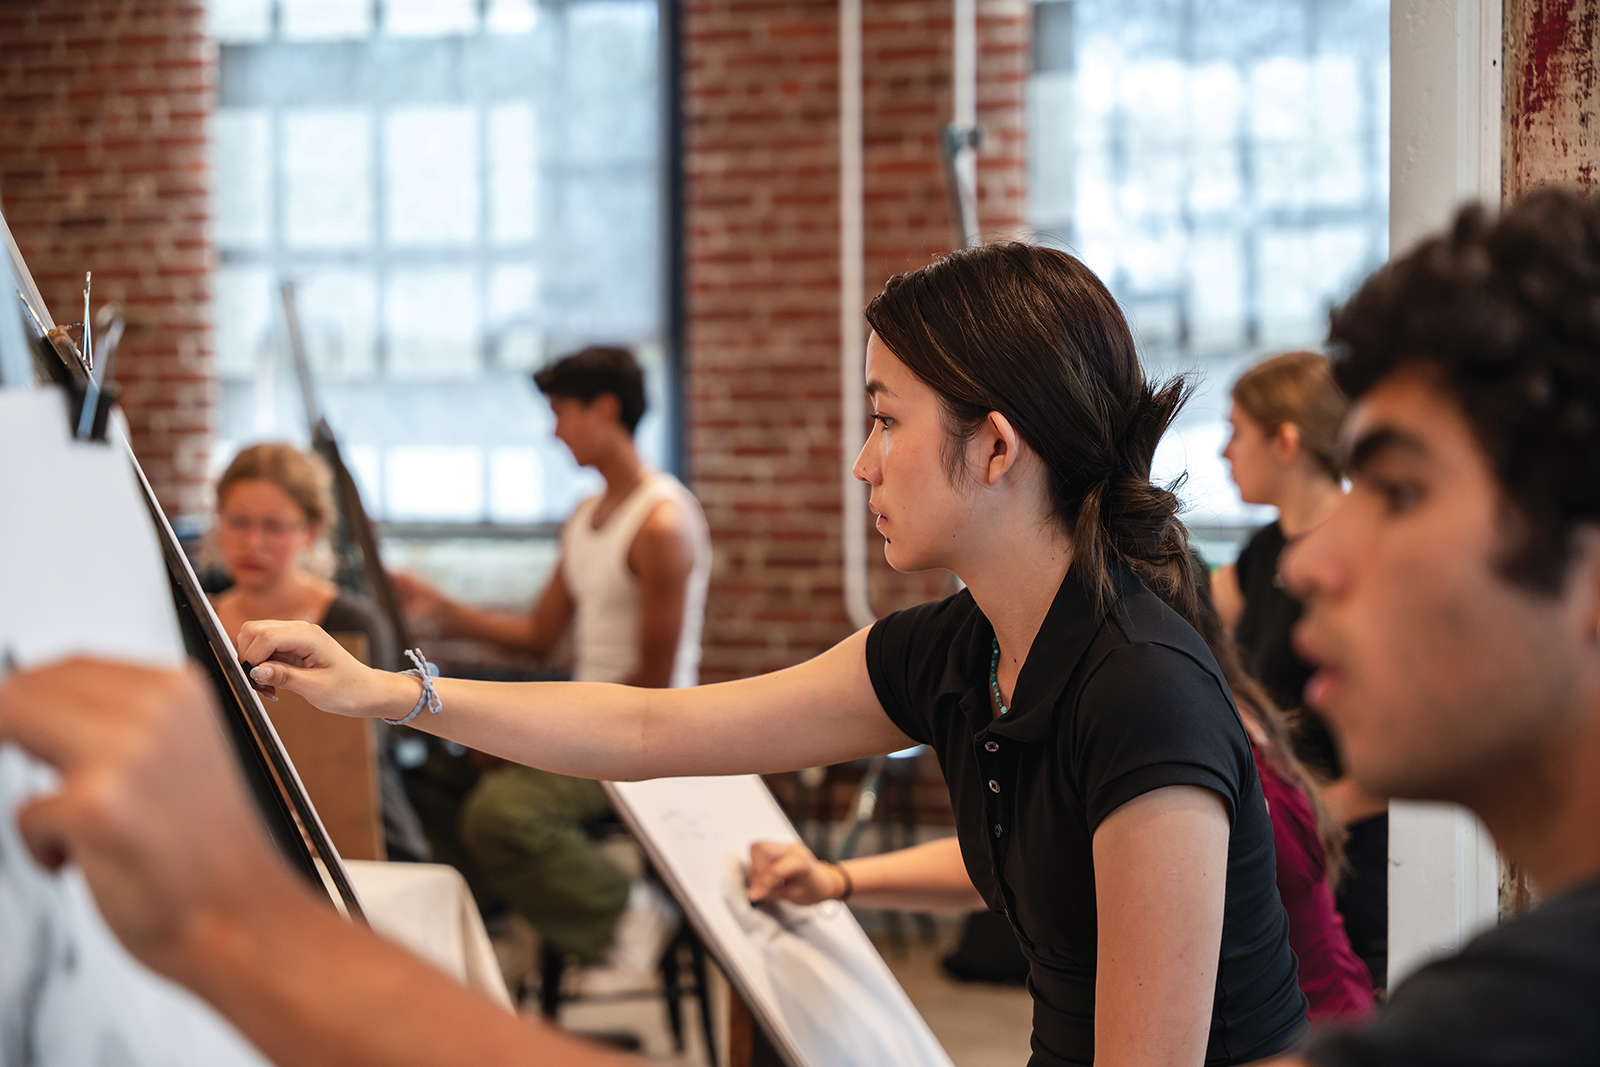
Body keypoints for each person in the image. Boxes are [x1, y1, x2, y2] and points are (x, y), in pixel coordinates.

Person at [236, 243, 1310, 1066]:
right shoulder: (960, 650)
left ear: (994, 446)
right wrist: (391, 691)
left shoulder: (1141, 694)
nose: (861, 461)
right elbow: (657, 727)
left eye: (885, 420)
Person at [747, 566, 1376, 1025]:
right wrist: (838, 879)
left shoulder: (1168, 735)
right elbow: (1026, 859)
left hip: (1323, 1035)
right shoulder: (1213, 713)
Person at [388, 345, 712, 975]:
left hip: (647, 736)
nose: (554, 430)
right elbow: (539, 636)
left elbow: (652, 686)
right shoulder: (587, 518)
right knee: (427, 781)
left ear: (606, 409)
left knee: (501, 813)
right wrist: (441, 609)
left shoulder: (662, 526)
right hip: (591, 719)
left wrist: (528, 733)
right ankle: (508, 928)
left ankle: (628, 916)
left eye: (562, 411)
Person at [1213, 352, 1390, 988]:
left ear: (1285, 441)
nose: (1224, 452)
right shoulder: (1263, 553)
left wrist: (1316, 812)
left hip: (1353, 870)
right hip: (1285, 859)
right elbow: (1186, 612)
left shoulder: (1363, 552)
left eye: (1236, 431)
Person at [209, 442, 430, 863]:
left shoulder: (353, 623)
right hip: (234, 838)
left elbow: (365, 752)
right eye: (238, 522)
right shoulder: (199, 617)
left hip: (352, 835)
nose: (253, 543)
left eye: (274, 527)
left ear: (310, 531)